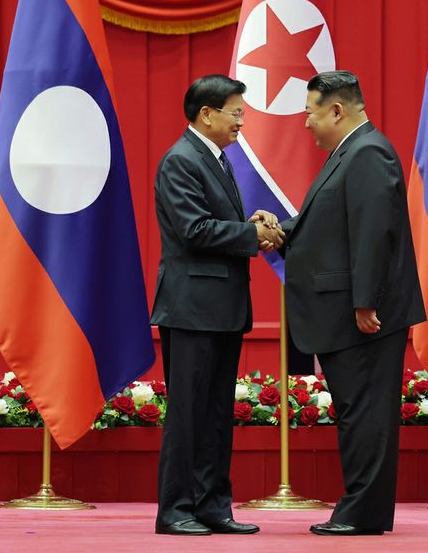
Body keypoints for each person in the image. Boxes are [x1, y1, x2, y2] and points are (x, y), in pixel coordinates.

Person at [280, 71, 425, 535]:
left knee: (365, 413)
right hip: (349, 310)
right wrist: (283, 230)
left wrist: (365, 302)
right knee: (358, 412)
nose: (307, 124)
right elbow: (331, 227)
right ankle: (364, 510)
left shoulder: (367, 153)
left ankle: (361, 513)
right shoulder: (352, 152)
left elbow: (372, 234)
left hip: (363, 315)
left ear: (337, 110)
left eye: (310, 113)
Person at [151, 74, 283, 536]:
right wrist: (253, 236)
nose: (242, 122)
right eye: (236, 112)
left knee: (215, 414)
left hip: (220, 307)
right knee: (189, 412)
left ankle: (212, 506)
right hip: (191, 308)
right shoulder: (180, 161)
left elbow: (214, 223)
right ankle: (175, 510)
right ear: (206, 114)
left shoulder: (216, 158)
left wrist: (251, 222)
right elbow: (194, 230)